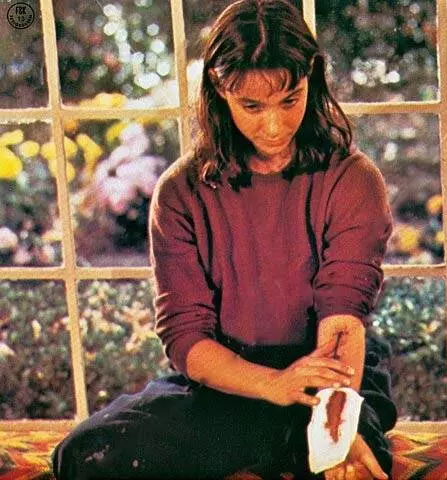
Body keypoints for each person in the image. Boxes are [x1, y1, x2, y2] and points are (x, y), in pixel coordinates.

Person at [52, 1, 397, 479]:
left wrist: (334, 427)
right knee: (84, 455)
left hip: (327, 383)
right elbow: (187, 338)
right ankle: (280, 444)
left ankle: (292, 442)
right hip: (228, 385)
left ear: (312, 80)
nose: (274, 126)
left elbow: (343, 320)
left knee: (349, 465)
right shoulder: (180, 193)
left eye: (290, 100)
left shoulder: (353, 179)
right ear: (219, 88)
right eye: (252, 106)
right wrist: (272, 385)